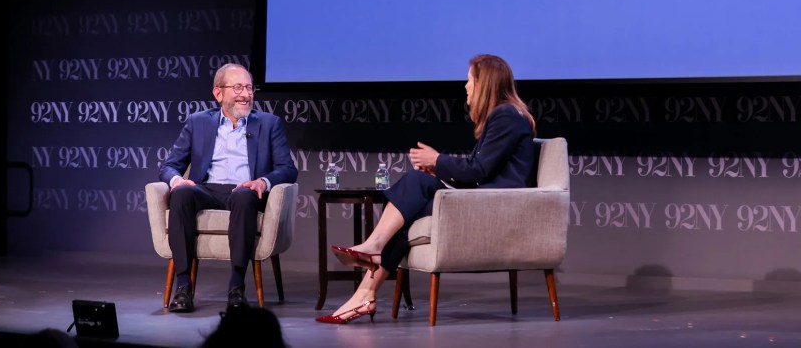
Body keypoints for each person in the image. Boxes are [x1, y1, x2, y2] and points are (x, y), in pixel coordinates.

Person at [317, 53, 536, 324]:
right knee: (408, 209)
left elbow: (478, 171)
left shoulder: (505, 115)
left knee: (414, 184)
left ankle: (373, 252)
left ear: (485, 84)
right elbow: (479, 170)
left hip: (494, 208)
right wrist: (437, 168)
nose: (465, 86)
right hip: (482, 201)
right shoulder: (504, 116)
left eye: (470, 80)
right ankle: (364, 295)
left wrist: (437, 161)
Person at [159, 63, 298, 313]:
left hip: (243, 190)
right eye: (238, 87)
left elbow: (288, 168)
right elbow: (170, 165)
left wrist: (262, 182)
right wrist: (177, 180)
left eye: (248, 87)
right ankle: (183, 286)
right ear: (218, 93)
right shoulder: (198, 122)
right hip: (207, 189)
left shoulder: (269, 124)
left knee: (245, 197)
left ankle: (236, 286)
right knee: (180, 194)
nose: (246, 94)